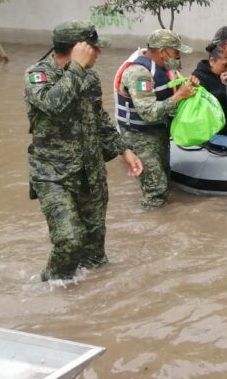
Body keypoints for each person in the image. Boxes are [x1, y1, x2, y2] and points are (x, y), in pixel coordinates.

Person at [25, 22, 144, 281]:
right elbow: (53, 104)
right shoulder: (38, 75)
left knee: (94, 253)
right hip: (53, 176)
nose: (98, 54)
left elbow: (98, 118)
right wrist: (76, 67)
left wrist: (124, 150)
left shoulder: (89, 77)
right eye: (94, 49)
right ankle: (51, 290)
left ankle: (90, 304)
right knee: (69, 240)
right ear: (80, 48)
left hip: (90, 174)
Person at [114, 29, 197, 209]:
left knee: (165, 184)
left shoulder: (165, 70)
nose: (178, 57)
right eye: (176, 52)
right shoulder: (139, 73)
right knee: (156, 191)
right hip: (139, 139)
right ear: (163, 51)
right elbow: (149, 112)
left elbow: (170, 94)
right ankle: (149, 229)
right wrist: (178, 97)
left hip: (158, 135)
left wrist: (188, 89)